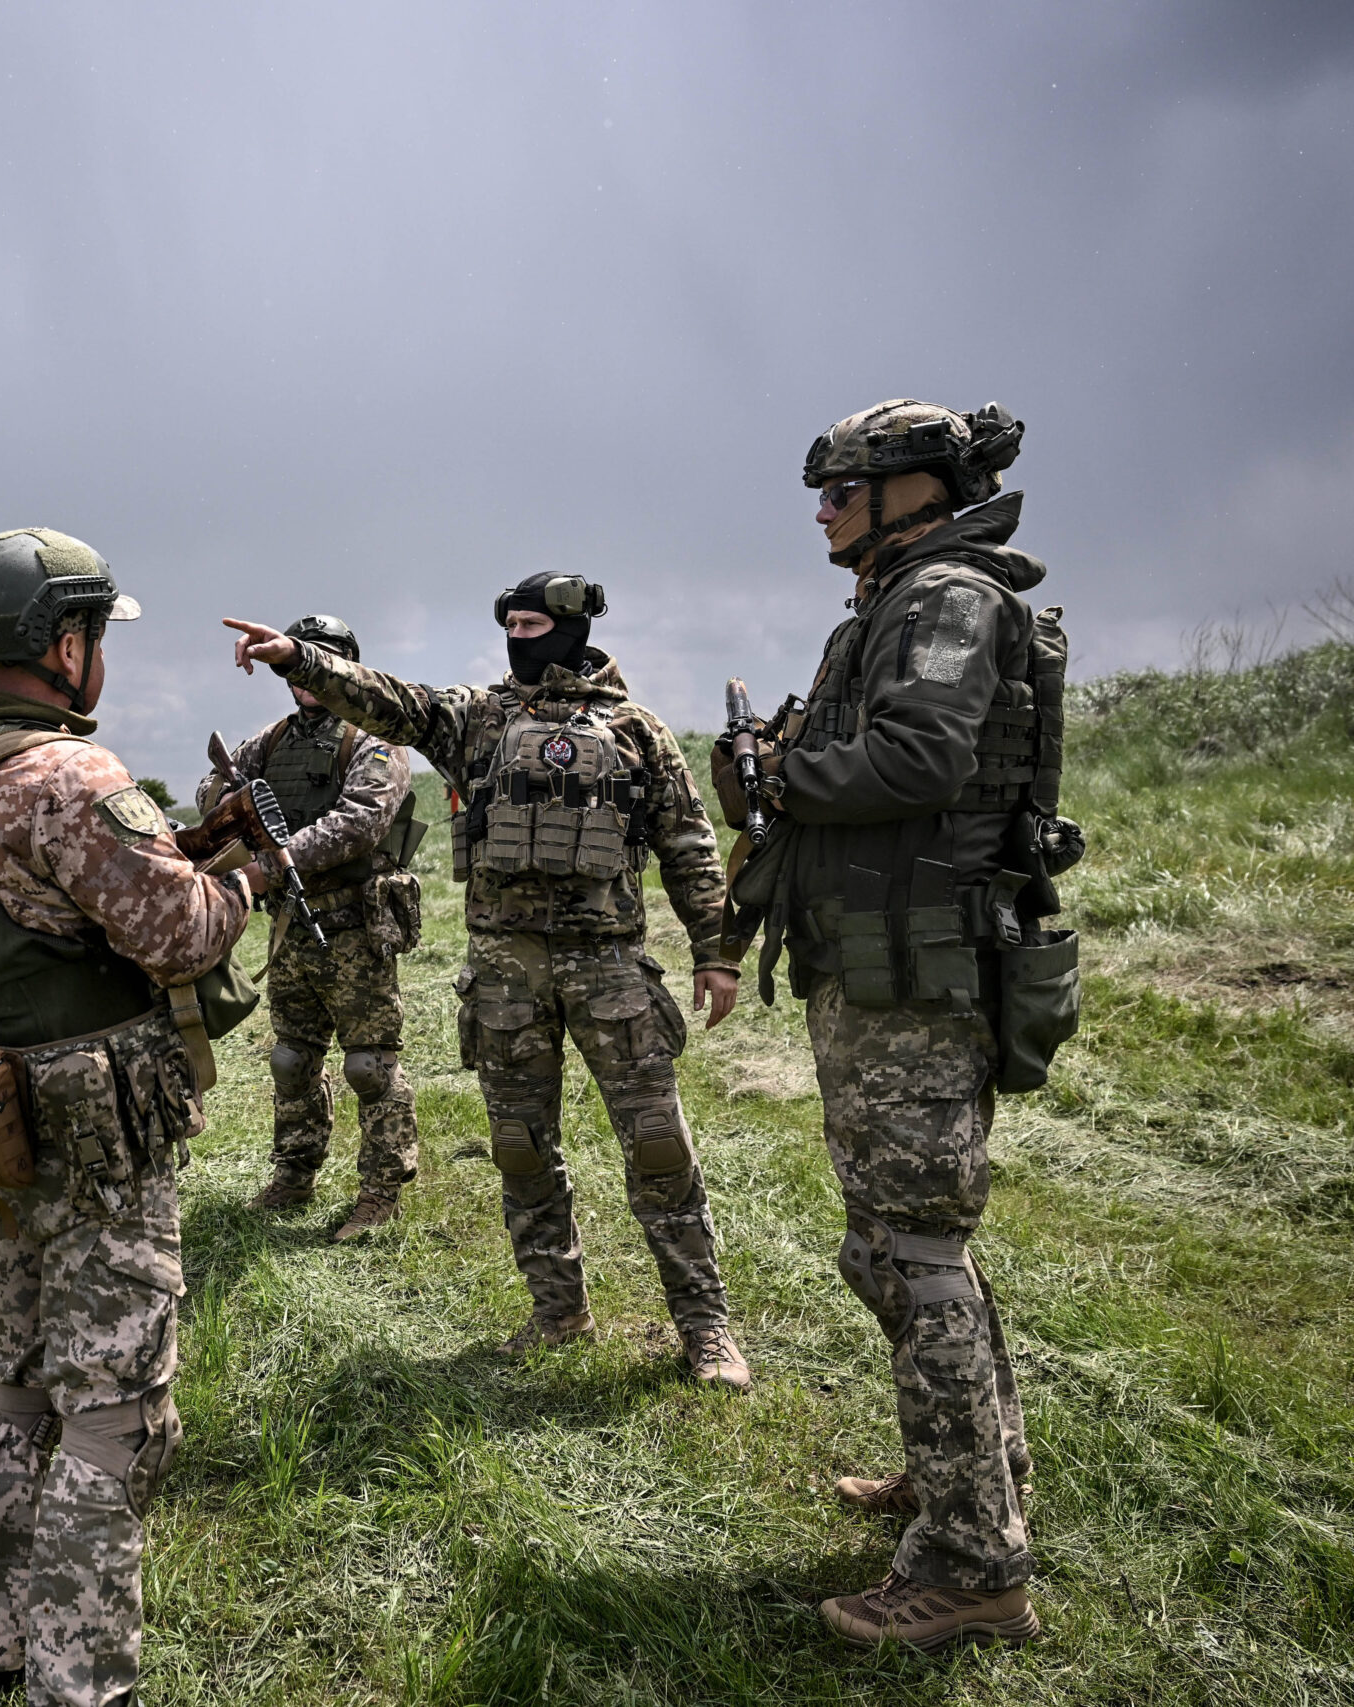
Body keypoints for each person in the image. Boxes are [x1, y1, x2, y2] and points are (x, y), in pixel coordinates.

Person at [0, 528, 252, 1707]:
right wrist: (241, 878)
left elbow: (37, 908)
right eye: (95, 635)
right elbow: (180, 935)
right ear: (61, 643)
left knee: (20, 1391)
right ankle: (82, 1684)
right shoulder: (62, 776)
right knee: (114, 1421)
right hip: (95, 1139)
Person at [226, 577, 753, 1391]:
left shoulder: (635, 729)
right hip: (506, 977)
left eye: (532, 624)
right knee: (521, 1151)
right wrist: (303, 658)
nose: (517, 637)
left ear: (573, 631)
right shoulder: (480, 720)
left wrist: (715, 950)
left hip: (610, 969)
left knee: (657, 1148)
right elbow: (391, 701)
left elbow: (688, 841)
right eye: (508, 624)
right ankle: (557, 1310)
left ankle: (706, 1329)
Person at [718, 399, 1049, 1650]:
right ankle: (974, 1480)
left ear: (915, 488)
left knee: (913, 1260)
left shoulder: (945, 598)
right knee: (900, 1255)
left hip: (916, 983)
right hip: (877, 968)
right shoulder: (894, 600)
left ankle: (971, 1565)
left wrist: (776, 775)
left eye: (843, 488)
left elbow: (917, 763)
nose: (823, 509)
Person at [198, 614, 425, 1239]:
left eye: (323, 658)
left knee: (369, 1066)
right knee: (292, 1058)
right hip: (291, 924)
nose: (304, 674)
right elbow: (210, 791)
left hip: (354, 925)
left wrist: (279, 861)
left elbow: (361, 820)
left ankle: (381, 1190)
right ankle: (295, 1172)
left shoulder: (372, 740)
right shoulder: (271, 741)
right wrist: (234, 801)